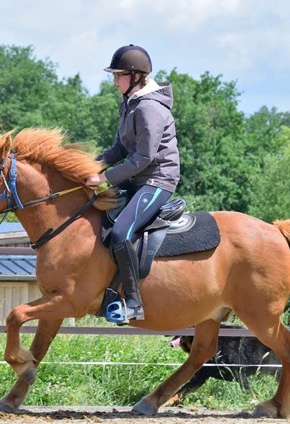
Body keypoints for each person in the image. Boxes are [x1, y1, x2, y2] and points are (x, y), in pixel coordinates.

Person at [85, 44, 180, 323]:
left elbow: (143, 157)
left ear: (136, 76)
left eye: (118, 76)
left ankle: (134, 304)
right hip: (136, 178)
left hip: (157, 180)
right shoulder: (129, 103)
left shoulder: (149, 108)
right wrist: (89, 166)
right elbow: (119, 148)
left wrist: (103, 178)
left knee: (121, 233)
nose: (114, 81)